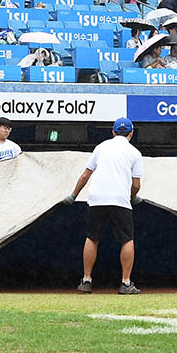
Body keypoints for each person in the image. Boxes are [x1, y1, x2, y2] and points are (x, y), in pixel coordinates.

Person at [62, 117, 143, 295]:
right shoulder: (135, 153)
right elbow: (136, 185)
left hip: (97, 198)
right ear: (131, 133)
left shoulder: (101, 147)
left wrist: (73, 196)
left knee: (92, 237)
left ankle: (86, 280)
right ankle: (125, 283)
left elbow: (85, 175)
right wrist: (133, 196)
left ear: (113, 132)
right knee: (127, 239)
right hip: (120, 200)